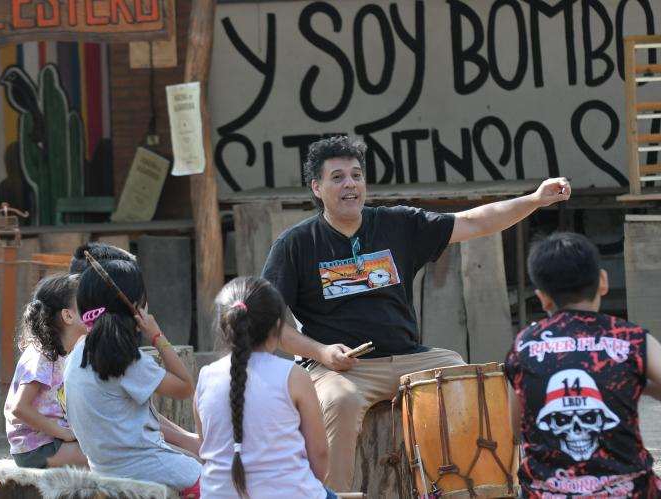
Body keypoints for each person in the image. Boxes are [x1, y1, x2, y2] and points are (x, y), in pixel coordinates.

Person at [261, 135, 572, 491]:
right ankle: (333, 497)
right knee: (340, 401)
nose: (350, 184)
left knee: (461, 374)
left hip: (409, 360)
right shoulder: (295, 244)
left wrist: (534, 199)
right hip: (341, 371)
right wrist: (321, 352)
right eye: (337, 177)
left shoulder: (398, 224)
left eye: (356, 175)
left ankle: (475, 491)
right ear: (317, 188)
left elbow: (474, 222)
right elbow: (267, 322)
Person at [504, 232, 661, 498]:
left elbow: (516, 430)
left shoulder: (523, 346)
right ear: (602, 281)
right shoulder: (628, 339)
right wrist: (641, 384)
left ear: (542, 297)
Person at [64, 259, 201, 497]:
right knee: (219, 480)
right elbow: (186, 386)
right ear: (136, 307)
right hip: (140, 467)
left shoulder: (78, 352)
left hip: (106, 467)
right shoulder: (126, 358)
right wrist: (156, 335)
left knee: (193, 459)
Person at [194, 277, 333, 499]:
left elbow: (206, 451)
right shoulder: (294, 376)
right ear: (278, 326)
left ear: (225, 325)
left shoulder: (205, 377)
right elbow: (320, 452)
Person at [4, 274, 88, 469]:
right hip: (35, 449)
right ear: (68, 316)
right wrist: (65, 434)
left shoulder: (68, 351)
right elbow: (19, 408)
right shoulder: (42, 355)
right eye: (86, 305)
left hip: (53, 440)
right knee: (108, 458)